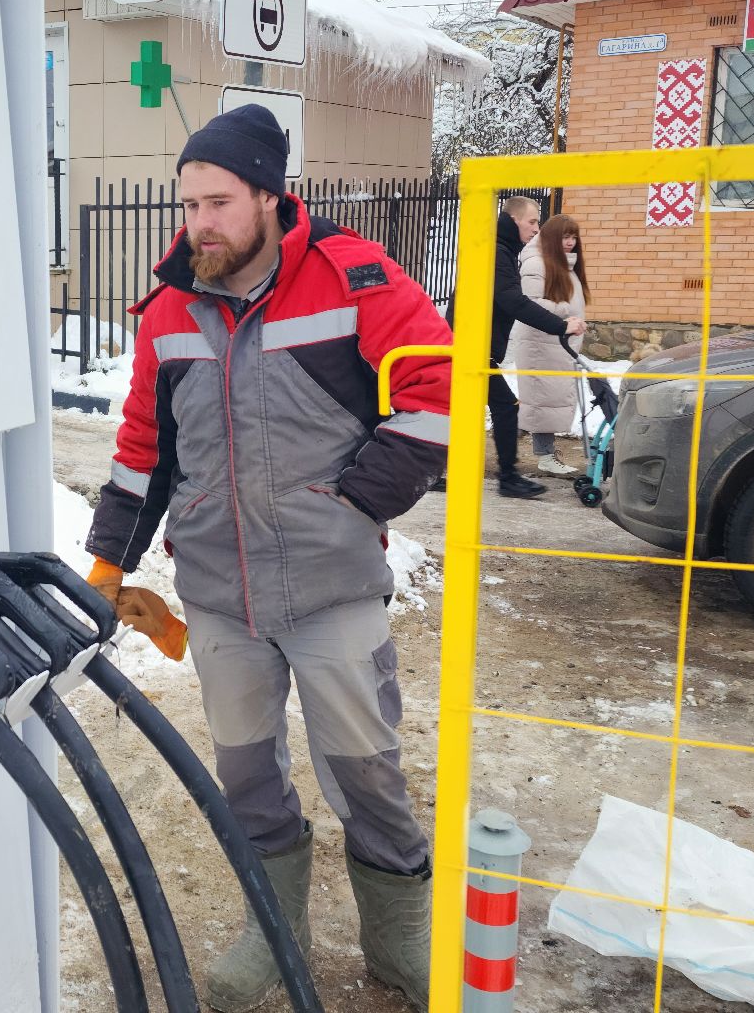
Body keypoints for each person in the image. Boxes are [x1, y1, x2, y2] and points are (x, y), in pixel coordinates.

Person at [83, 104, 450, 1012]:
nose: (198, 224)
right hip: (218, 597)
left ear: (268, 198)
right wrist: (107, 563)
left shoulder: (353, 278)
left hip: (332, 590)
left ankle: (398, 932)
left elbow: (436, 391)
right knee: (245, 771)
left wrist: (351, 506)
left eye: (217, 203)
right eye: (188, 205)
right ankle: (272, 922)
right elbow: (143, 448)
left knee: (365, 769)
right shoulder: (170, 309)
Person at [442, 196, 587, 499]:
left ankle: (444, 470)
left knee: (464, 409)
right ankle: (507, 478)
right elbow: (514, 301)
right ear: (513, 220)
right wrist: (560, 325)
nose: (536, 228)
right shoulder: (496, 252)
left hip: (473, 347)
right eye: (532, 221)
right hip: (469, 348)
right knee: (503, 407)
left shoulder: (502, 250)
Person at [513, 213, 590, 476]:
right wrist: (566, 312)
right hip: (540, 343)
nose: (570, 242)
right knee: (541, 402)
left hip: (557, 344)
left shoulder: (565, 264)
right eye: (565, 237)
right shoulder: (537, 263)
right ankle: (544, 456)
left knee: (543, 402)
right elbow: (529, 303)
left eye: (573, 237)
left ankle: (514, 447)